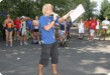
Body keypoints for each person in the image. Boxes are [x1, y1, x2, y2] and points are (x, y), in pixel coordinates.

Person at [38, 4, 73, 75]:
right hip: (46, 42)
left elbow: (62, 19)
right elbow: (47, 28)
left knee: (55, 57)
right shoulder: (42, 18)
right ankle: (40, 73)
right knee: (44, 58)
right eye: (50, 9)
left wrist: (69, 13)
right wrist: (53, 20)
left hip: (53, 41)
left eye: (51, 9)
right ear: (46, 10)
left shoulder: (51, 18)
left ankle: (54, 72)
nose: (52, 10)